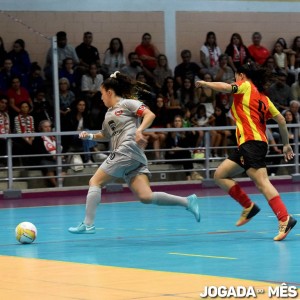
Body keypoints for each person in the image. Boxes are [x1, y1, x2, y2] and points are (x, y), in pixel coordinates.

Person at [68, 71, 201, 234]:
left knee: (95, 182)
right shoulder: (108, 114)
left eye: (102, 94)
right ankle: (188, 202)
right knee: (146, 197)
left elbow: (149, 114)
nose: (101, 98)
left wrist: (139, 130)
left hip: (127, 150)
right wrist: (89, 135)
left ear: (109, 92)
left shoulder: (127, 104)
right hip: (132, 156)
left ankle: (87, 224)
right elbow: (105, 135)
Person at [195, 63, 297, 241]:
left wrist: (205, 84)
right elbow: (281, 120)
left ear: (241, 76)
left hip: (251, 143)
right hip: (251, 144)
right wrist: (286, 144)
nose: (234, 80)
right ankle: (249, 207)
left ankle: (284, 218)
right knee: (220, 175)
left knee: (262, 183)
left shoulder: (246, 86)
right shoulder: (264, 98)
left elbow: (226, 88)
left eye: (236, 76)